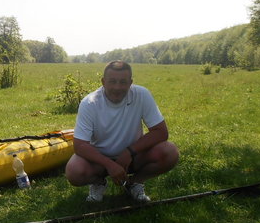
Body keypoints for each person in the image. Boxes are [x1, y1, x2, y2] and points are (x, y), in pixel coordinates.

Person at [66, 60, 179, 202]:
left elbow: (161, 132)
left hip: (134, 156)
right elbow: (80, 145)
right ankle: (99, 183)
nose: (117, 87)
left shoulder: (142, 95)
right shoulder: (89, 103)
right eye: (112, 81)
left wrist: (129, 152)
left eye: (123, 82)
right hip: (100, 160)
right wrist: (109, 164)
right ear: (103, 81)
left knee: (170, 152)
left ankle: (135, 183)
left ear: (130, 82)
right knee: (74, 171)